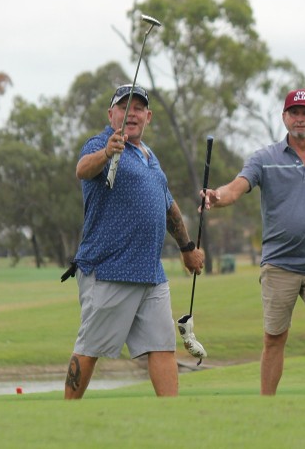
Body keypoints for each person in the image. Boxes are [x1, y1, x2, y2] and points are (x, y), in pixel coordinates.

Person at [202, 88, 305, 396]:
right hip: (279, 265)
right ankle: (268, 404)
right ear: (284, 117)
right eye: (294, 112)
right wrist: (217, 196)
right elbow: (238, 187)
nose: (300, 119)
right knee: (274, 338)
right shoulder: (264, 158)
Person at [63, 83, 205, 399]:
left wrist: (186, 248)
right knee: (89, 349)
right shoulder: (99, 143)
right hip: (108, 269)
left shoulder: (149, 157)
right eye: (125, 106)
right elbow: (83, 170)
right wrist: (106, 152)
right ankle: (65, 414)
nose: (132, 113)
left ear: (148, 116)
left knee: (163, 347)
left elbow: (168, 206)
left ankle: (171, 418)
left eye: (138, 108)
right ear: (111, 114)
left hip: (151, 274)